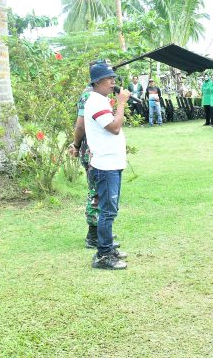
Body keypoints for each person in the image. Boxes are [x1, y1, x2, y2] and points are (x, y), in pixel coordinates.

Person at [84, 60, 131, 270]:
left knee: (111, 209)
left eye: (113, 78)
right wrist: (121, 103)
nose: (113, 82)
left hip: (112, 162)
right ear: (98, 81)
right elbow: (114, 127)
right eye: (109, 78)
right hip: (105, 165)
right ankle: (103, 256)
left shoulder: (101, 100)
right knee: (107, 210)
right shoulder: (95, 101)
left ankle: (108, 247)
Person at [68, 73, 100, 249]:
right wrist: (76, 144)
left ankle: (101, 231)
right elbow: (81, 125)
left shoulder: (98, 94)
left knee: (100, 190)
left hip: (96, 150)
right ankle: (93, 235)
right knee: (96, 192)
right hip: (90, 151)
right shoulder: (88, 95)